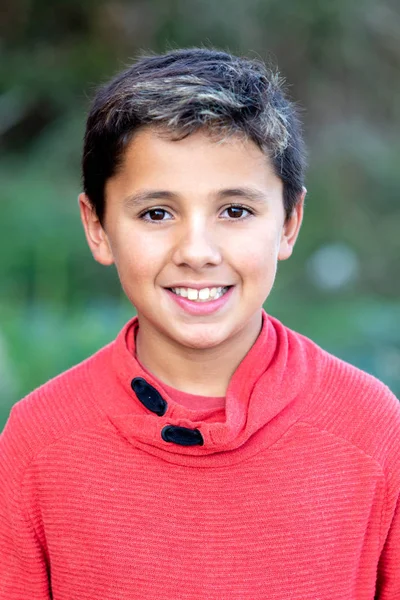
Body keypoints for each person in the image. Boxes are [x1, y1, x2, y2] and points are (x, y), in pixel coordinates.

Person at [1, 48, 399, 600]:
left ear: (289, 223)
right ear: (97, 227)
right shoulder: (38, 441)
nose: (197, 251)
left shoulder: (372, 430)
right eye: (156, 213)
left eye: (235, 210)